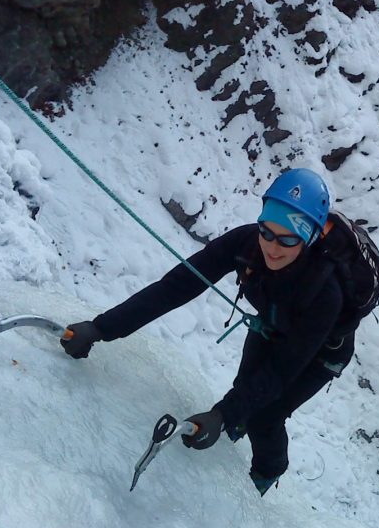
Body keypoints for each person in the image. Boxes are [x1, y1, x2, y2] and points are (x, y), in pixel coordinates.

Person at [61, 168, 356, 495]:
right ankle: (233, 428)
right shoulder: (248, 243)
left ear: (310, 238)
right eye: (267, 231)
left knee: (266, 414)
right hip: (272, 324)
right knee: (245, 391)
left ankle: (265, 473)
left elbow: (280, 372)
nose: (272, 247)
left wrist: (223, 414)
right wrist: (101, 328)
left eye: (287, 239)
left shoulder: (325, 294)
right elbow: (174, 287)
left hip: (320, 354)